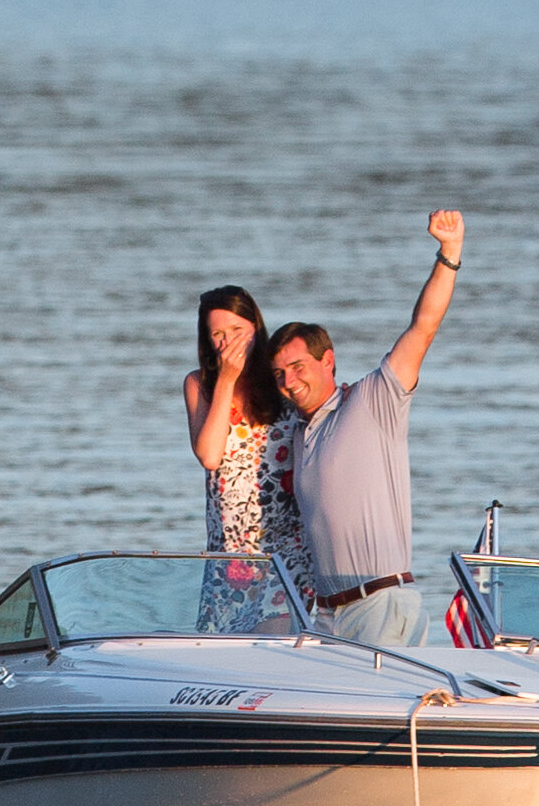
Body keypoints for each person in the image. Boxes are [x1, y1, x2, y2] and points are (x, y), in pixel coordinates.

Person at [268, 210, 464, 649]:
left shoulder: (373, 400)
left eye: (297, 367)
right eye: (279, 374)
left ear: (328, 360)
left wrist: (448, 253)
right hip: (325, 615)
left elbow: (423, 328)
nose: (289, 381)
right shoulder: (299, 432)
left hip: (381, 605)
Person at [183, 285, 316, 606]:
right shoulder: (199, 384)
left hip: (288, 547)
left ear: (255, 329)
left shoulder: (280, 380)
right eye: (218, 334)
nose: (228, 342)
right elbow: (210, 456)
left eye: (237, 330)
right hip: (229, 553)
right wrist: (226, 381)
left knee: (277, 642)